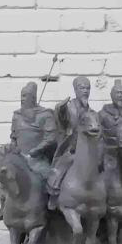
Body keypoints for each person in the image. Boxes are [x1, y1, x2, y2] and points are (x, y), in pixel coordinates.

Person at [47, 76, 95, 208]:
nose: (85, 91)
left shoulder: (92, 112)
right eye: (82, 88)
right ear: (75, 90)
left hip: (89, 151)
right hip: (71, 149)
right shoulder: (69, 108)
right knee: (62, 166)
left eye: (87, 88)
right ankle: (53, 194)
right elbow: (62, 118)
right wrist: (60, 108)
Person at [10, 81, 58, 174]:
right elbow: (13, 137)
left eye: (25, 96)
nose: (22, 99)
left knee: (47, 176)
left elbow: (50, 138)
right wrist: (14, 148)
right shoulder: (17, 116)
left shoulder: (45, 114)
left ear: (33, 98)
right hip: (19, 159)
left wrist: (36, 150)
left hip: (38, 159)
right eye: (21, 96)